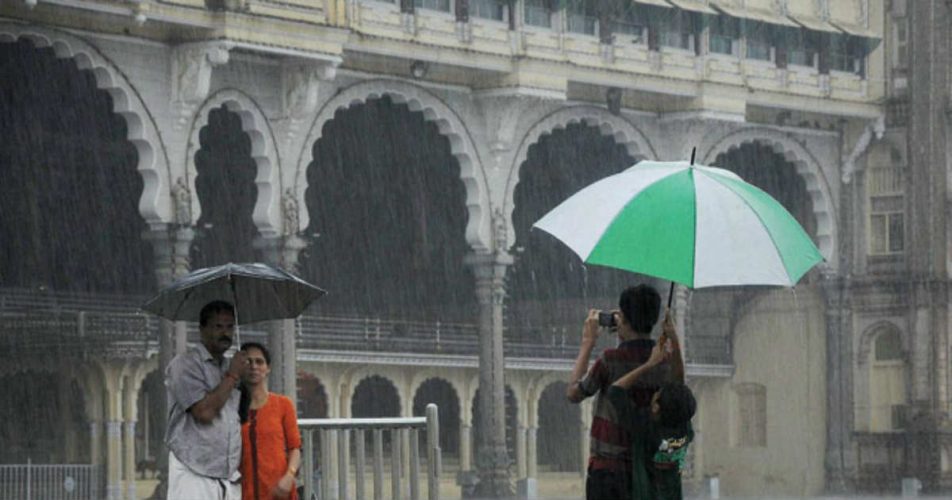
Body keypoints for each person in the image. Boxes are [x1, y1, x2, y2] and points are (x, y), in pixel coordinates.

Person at [567, 284, 666, 500]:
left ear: (624, 320)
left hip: (608, 470)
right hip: (645, 468)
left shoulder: (610, 360)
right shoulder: (662, 362)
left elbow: (574, 393)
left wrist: (587, 343)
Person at [165, 300, 249, 500]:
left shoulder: (229, 367)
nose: (225, 333)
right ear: (202, 329)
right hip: (193, 472)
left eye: (230, 327)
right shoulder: (184, 365)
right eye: (218, 326)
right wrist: (233, 377)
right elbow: (204, 413)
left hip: (227, 476)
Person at [609, 315, 696, 500]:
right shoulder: (683, 430)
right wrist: (674, 339)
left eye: (657, 394)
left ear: (656, 408)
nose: (655, 392)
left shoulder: (644, 428)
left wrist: (651, 363)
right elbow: (678, 384)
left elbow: (615, 391)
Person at [239, 341, 302, 500]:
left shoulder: (283, 405)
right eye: (248, 361)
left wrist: (289, 476)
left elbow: (295, 447)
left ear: (268, 368)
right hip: (243, 491)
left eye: (259, 362)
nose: (254, 366)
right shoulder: (232, 408)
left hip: (278, 491)